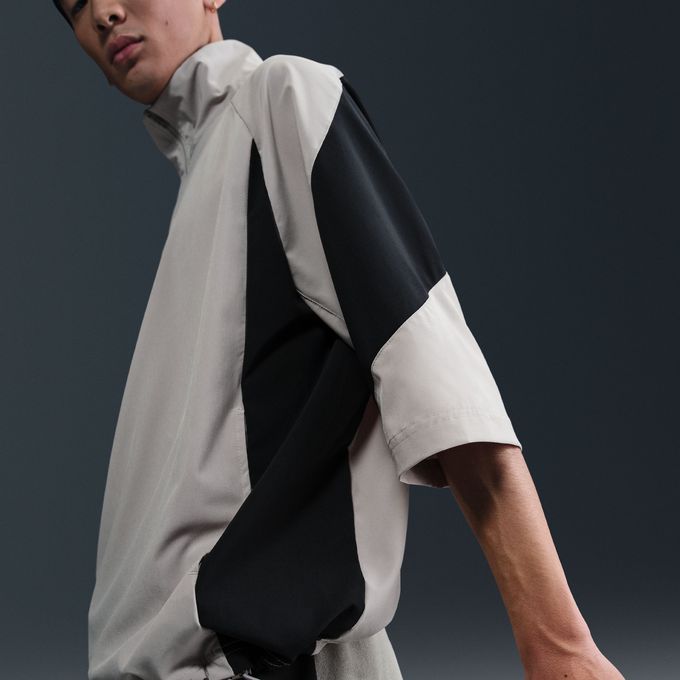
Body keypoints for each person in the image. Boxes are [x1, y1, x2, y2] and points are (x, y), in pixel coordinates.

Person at [52, 1, 626, 680]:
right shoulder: (208, 170)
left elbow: (431, 365)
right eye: (74, 5)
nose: (103, 13)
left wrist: (556, 640)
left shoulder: (282, 97)